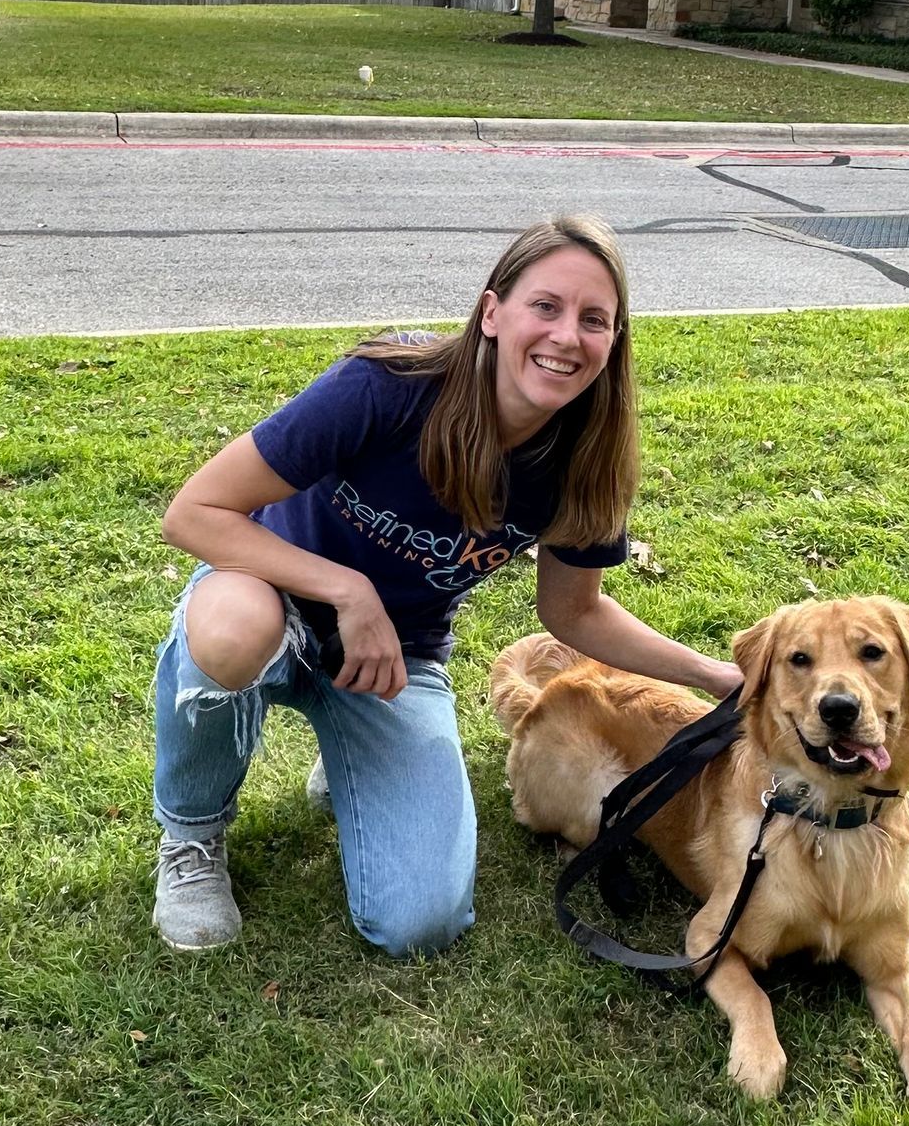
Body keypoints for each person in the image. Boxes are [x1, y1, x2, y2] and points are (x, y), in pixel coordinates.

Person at [149, 212, 741, 954]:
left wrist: (713, 674)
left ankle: (349, 759)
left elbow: (576, 613)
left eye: (595, 319)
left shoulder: (584, 461)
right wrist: (347, 590)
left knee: (420, 922)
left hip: (390, 660)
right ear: (493, 312)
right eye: (546, 306)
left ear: (614, 342)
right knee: (234, 633)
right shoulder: (388, 386)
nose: (566, 336)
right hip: (267, 603)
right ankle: (192, 835)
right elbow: (194, 512)